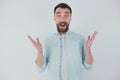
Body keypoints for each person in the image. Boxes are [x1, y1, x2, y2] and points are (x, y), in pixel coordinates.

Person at [28, 3, 97, 80]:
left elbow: (89, 67)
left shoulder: (80, 39)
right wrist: (39, 52)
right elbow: (40, 69)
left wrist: (88, 50)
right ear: (54, 18)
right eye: (58, 15)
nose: (62, 19)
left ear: (70, 18)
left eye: (66, 15)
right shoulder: (47, 41)